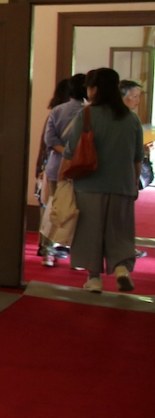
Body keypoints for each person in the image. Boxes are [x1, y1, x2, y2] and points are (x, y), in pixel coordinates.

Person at [62, 68, 141, 293]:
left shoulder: (86, 115)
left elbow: (70, 152)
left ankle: (94, 278)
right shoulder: (131, 118)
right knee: (120, 230)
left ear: (94, 89)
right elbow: (137, 158)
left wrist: (61, 179)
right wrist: (134, 183)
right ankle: (121, 268)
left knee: (90, 232)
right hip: (122, 185)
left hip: (89, 185)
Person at [41, 74, 87, 265]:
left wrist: (66, 153)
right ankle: (77, 256)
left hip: (56, 165)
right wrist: (75, 155)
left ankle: (48, 252)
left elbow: (49, 139)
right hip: (82, 168)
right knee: (81, 212)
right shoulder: (89, 113)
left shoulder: (57, 110)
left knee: (54, 208)